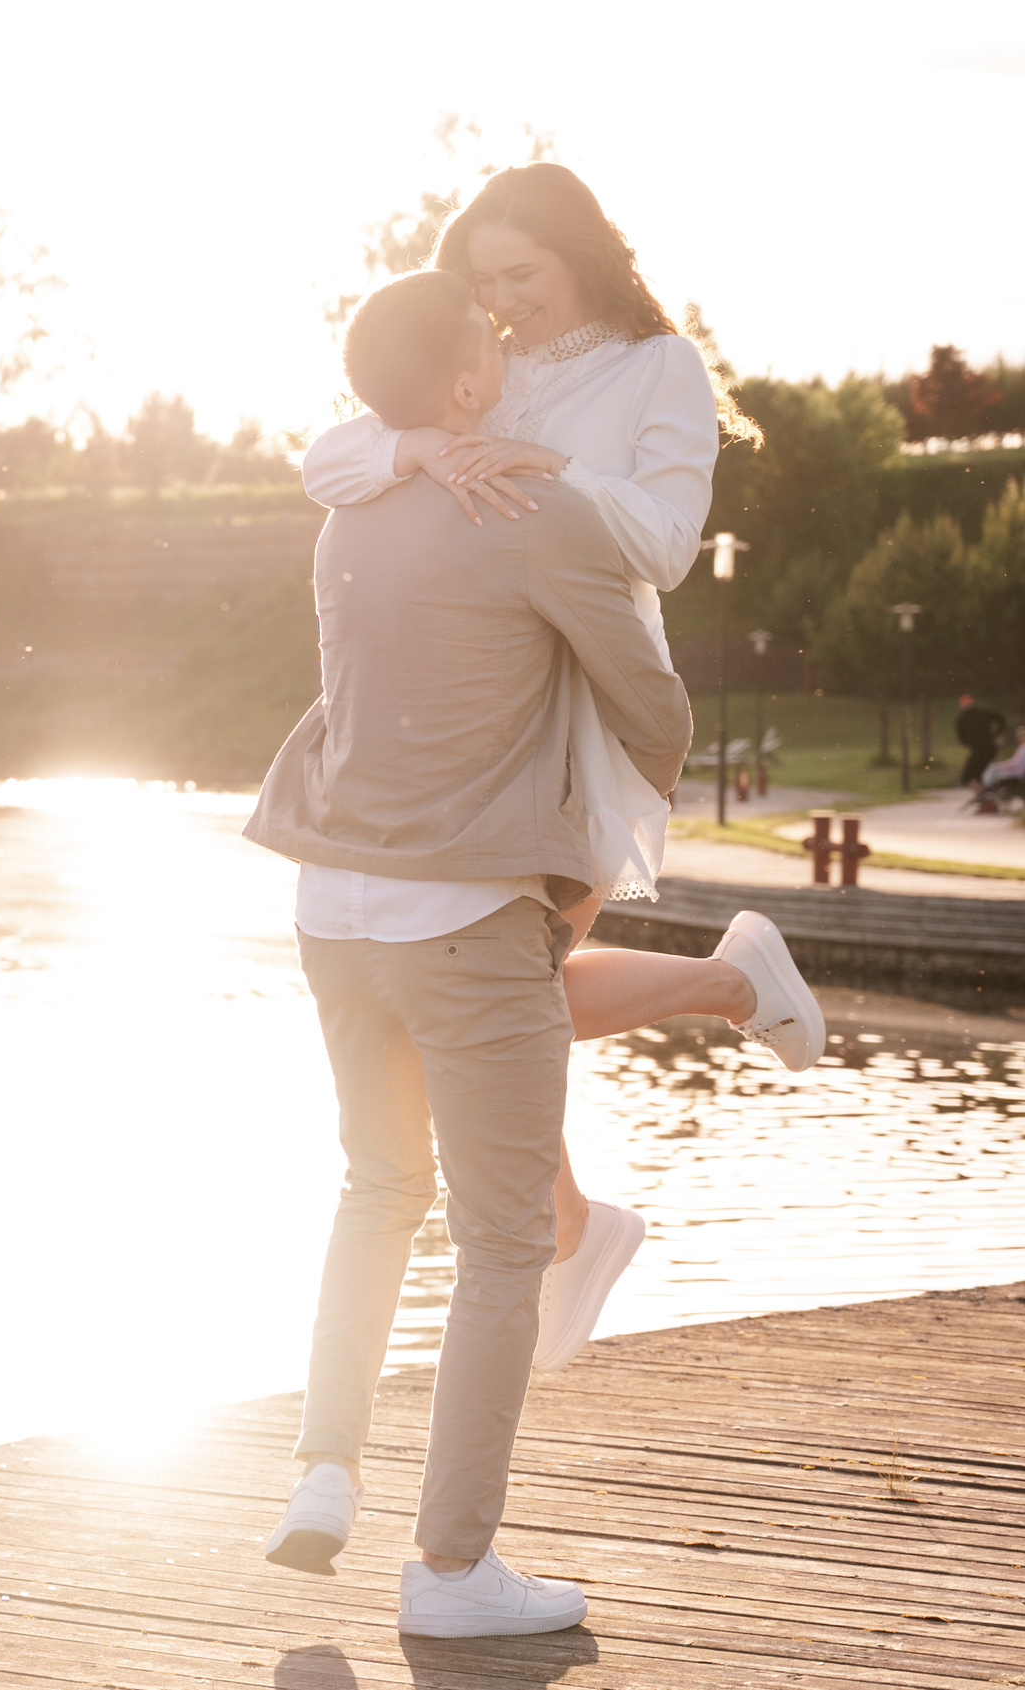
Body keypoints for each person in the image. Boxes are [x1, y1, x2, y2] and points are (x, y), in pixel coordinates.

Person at [244, 271, 744, 1638]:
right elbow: (656, 708)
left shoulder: (348, 509)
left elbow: (344, 450)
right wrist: (588, 868)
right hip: (459, 918)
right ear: (466, 388)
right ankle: (455, 1570)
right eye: (490, 347)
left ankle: (326, 1468)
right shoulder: (534, 505)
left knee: (376, 1188)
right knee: (504, 1242)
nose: (511, 356)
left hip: (331, 907)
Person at [298, 163, 822, 1375]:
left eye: (518, 276)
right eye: (481, 283)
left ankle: (705, 1028)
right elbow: (328, 463)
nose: (500, 302)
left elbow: (665, 544)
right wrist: (428, 450)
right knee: (467, 1005)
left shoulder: (660, 370)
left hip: (583, 708)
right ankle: (580, 1218)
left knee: (480, 1000)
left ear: (579, 255)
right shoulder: (481, 364)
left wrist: (529, 473)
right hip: (480, 716)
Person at [955, 695, 1006, 787]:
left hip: (977, 749)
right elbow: (1001, 719)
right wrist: (996, 734)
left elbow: (961, 737)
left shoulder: (961, 719)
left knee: (968, 776)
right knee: (982, 772)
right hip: (990, 747)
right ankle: (986, 793)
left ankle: (982, 794)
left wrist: (970, 743)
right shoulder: (984, 713)